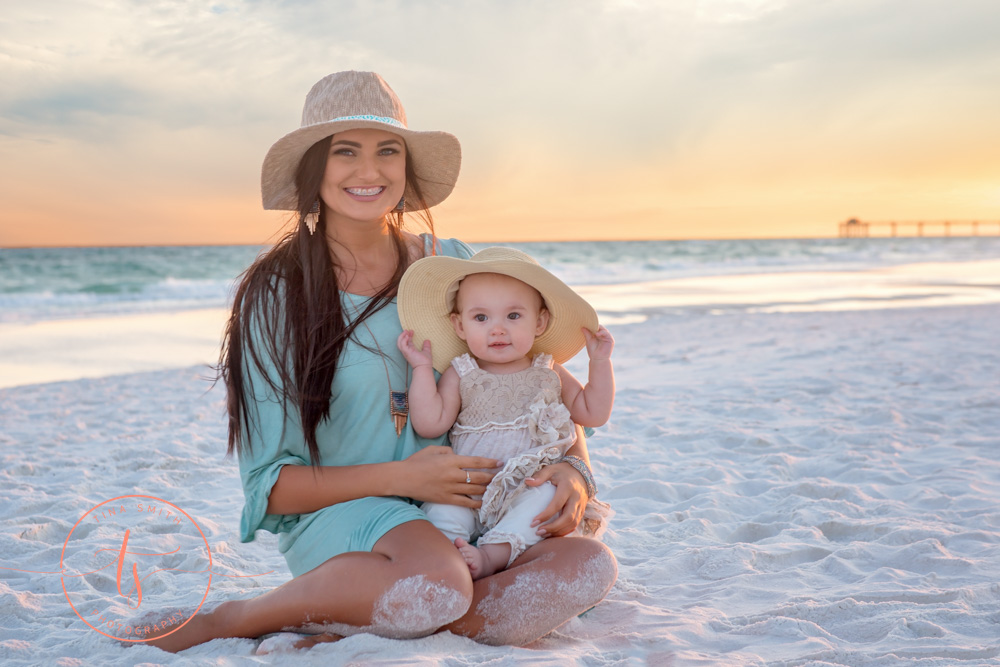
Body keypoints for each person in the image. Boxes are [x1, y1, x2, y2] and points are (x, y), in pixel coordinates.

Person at [144, 71, 617, 653]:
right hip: (350, 516)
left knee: (586, 563)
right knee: (437, 582)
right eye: (346, 152)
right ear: (314, 168)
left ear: (406, 166)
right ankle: (239, 618)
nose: (369, 172)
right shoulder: (276, 294)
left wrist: (573, 470)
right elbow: (270, 488)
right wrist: (405, 478)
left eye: (386, 151)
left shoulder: (454, 268)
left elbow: (540, 383)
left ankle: (358, 622)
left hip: (475, 514)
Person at [396, 247, 615, 580]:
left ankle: (491, 555)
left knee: (545, 499)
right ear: (459, 325)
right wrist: (422, 369)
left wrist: (599, 363)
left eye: (513, 316)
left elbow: (593, 413)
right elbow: (430, 423)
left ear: (539, 322)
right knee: (443, 509)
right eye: (481, 318)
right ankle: (444, 561)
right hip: (471, 485)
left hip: (529, 484)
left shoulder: (549, 370)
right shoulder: (462, 371)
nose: (497, 329)